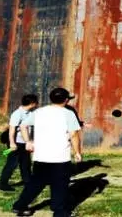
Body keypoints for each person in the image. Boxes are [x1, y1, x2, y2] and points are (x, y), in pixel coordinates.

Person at [12, 88, 82, 217]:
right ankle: (59, 211)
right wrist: (77, 152)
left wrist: (28, 141)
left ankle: (19, 206)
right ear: (66, 100)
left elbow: (23, 126)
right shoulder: (68, 114)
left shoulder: (38, 112)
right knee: (60, 185)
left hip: (40, 156)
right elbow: (74, 135)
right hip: (60, 157)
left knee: (35, 184)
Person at [0, 94, 39, 191]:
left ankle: (28, 182)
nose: (37, 104)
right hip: (16, 142)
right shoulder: (17, 114)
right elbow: (12, 130)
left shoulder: (30, 113)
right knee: (12, 163)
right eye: (36, 102)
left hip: (25, 142)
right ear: (32, 103)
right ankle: (3, 184)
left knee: (26, 163)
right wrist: (12, 143)